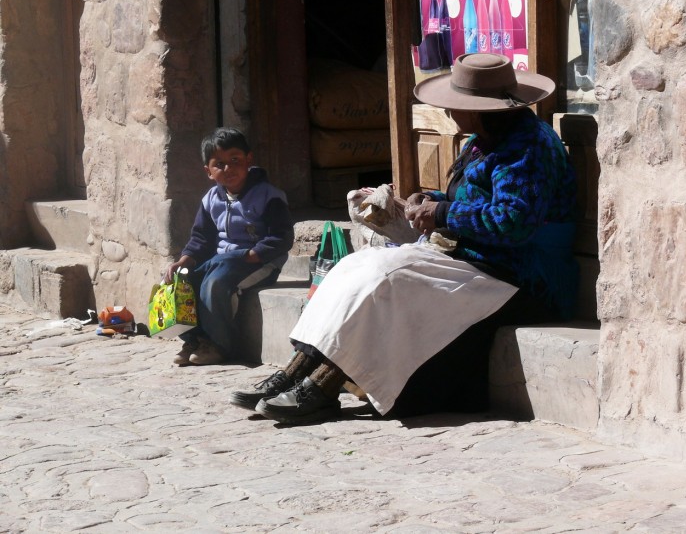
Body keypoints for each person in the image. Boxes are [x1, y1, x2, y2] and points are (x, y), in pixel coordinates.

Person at [229, 53, 578, 424]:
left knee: (387, 281)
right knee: (354, 267)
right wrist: (429, 202)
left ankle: (324, 385)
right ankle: (298, 370)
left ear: (479, 110)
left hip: (520, 275)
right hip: (476, 259)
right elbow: (476, 202)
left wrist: (440, 214)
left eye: (455, 107)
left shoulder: (527, 149)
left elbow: (513, 222)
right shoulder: (485, 139)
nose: (448, 114)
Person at [165, 127, 294, 366]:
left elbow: (282, 237)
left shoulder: (269, 196)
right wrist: (185, 260)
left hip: (258, 262)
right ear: (208, 171)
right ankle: (194, 339)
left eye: (235, 160)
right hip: (223, 261)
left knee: (214, 284)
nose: (229, 169)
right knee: (181, 281)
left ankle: (219, 345)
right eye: (220, 164)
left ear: (248, 160)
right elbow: (201, 237)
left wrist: (255, 254)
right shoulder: (211, 199)